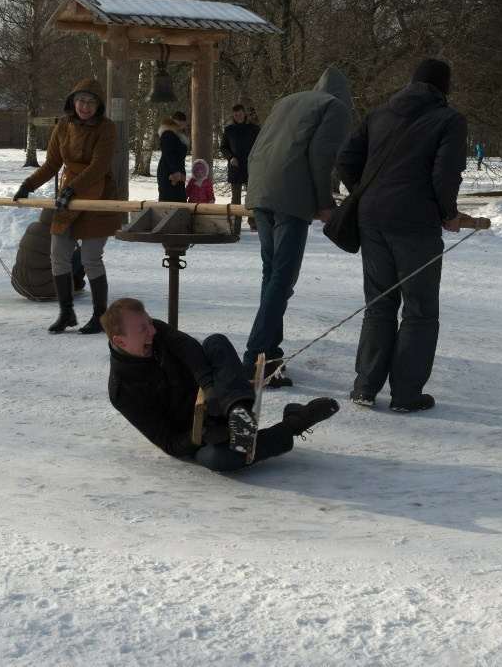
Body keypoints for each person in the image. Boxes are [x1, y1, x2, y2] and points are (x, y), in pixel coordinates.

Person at [335, 57, 469, 412]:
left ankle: (364, 387)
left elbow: (346, 159)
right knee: (420, 310)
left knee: (379, 305)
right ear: (445, 89)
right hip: (415, 225)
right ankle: (406, 394)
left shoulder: (379, 113)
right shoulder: (449, 120)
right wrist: (448, 213)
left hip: (372, 221)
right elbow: (446, 174)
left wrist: (365, 194)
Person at [102, 297, 339, 473]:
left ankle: (239, 411)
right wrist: (203, 433)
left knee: (215, 342)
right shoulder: (123, 392)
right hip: (202, 432)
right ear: (119, 341)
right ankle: (294, 423)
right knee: (219, 459)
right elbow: (169, 443)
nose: (152, 330)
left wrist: (209, 387)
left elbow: (189, 347)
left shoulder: (157, 332)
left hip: (223, 394)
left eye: (150, 323)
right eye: (142, 329)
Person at [243, 67, 353, 387]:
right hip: (291, 198)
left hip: (261, 191)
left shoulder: (286, 101)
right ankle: (255, 359)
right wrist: (325, 204)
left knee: (271, 274)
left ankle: (269, 353)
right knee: (282, 277)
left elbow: (258, 148)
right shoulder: (335, 108)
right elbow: (321, 158)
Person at [13, 78, 120, 334]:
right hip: (67, 199)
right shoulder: (62, 127)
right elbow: (52, 164)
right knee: (58, 256)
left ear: (99, 105)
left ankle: (99, 316)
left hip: (98, 195)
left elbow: (99, 166)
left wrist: (72, 189)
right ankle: (66, 312)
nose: (85, 106)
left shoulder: (106, 128)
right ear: (73, 101)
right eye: (81, 100)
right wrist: (28, 185)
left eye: (91, 101)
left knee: (91, 258)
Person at [219, 104, 260, 227]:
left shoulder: (254, 128)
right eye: (236, 115)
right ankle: (235, 224)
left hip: (251, 167)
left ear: (245, 113)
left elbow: (261, 145)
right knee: (235, 199)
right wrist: (230, 157)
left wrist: (257, 159)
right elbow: (223, 147)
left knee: (252, 198)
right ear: (233, 116)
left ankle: (253, 222)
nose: (238, 117)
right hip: (235, 168)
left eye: (240, 114)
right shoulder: (229, 130)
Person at [156, 110, 189, 202]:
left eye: (183, 121)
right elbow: (168, 154)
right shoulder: (168, 133)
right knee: (168, 199)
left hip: (177, 171)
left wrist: (181, 172)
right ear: (173, 121)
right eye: (178, 120)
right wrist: (176, 171)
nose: (181, 123)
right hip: (168, 170)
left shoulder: (180, 135)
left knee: (179, 199)